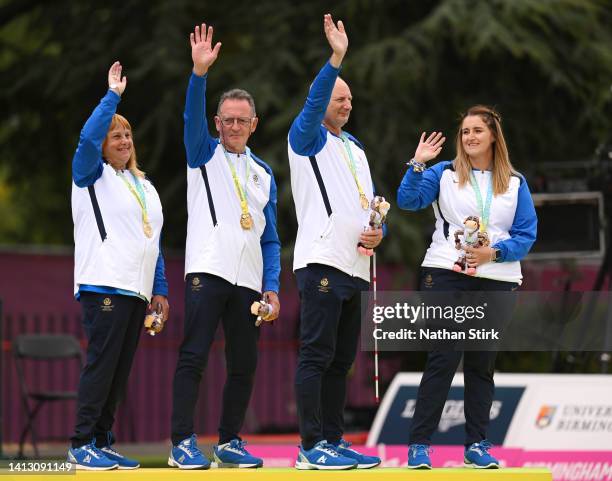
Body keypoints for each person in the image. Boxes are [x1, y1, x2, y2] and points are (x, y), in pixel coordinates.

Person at [397, 105, 537, 469]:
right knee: (444, 356)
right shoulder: (443, 173)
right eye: (465, 132)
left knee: (481, 364)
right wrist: (417, 163)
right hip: (446, 271)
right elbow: (408, 201)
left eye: (477, 130)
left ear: (493, 136)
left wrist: (495, 253)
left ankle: (477, 444)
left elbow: (526, 235)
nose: (470, 137)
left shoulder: (516, 182)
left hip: (497, 278)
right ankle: (420, 445)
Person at [168, 23, 280, 470]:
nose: (233, 126)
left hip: (249, 280)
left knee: (244, 363)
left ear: (254, 124)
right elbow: (190, 119)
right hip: (208, 270)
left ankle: (230, 441)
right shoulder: (202, 153)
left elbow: (270, 237)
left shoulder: (265, 173)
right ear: (217, 123)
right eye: (226, 119)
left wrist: (271, 285)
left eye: (241, 120)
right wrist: (199, 75)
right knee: (193, 355)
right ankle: (181, 442)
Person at [288, 14, 384, 470]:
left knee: (341, 360)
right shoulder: (305, 137)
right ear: (322, 99)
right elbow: (312, 105)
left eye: (349, 98)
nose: (346, 104)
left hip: (356, 265)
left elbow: (366, 206)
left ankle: (332, 439)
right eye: (338, 97)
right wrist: (336, 59)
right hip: (322, 261)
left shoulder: (356, 148)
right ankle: (310, 448)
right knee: (317, 354)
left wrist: (378, 231)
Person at [69, 62, 169, 470]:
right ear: (103, 145)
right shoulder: (90, 175)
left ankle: (102, 439)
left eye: (127, 133)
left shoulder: (144, 186)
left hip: (136, 290)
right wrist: (112, 97)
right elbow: (86, 138)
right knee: (102, 365)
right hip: (104, 285)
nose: (124, 140)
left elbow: (154, 243)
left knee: (118, 371)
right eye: (116, 135)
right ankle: (80, 443)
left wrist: (159, 290)